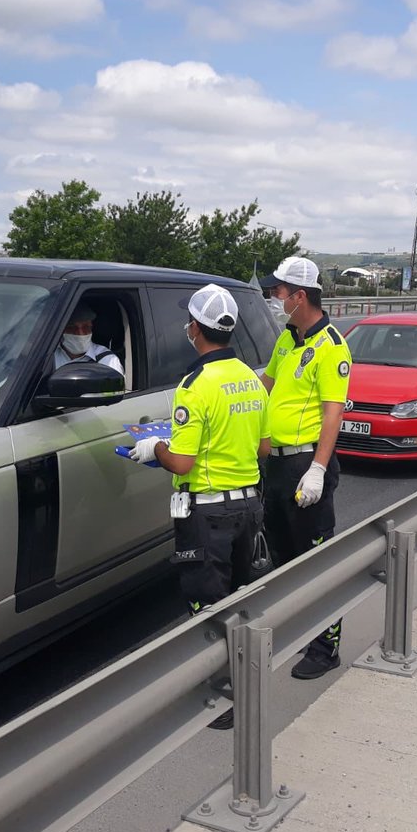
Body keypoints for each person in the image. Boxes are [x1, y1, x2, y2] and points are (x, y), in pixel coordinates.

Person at [130, 284, 270, 728]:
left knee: (207, 608)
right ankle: (247, 682)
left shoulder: (194, 386)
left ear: (195, 328)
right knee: (241, 600)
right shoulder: (249, 378)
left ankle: (224, 699)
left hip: (208, 515)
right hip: (248, 506)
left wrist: (154, 448)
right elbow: (264, 448)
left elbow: (183, 462)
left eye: (188, 322)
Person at [259, 256, 352, 679]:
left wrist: (317, 469)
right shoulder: (287, 339)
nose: (274, 297)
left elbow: (333, 414)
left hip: (305, 463)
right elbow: (267, 387)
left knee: (315, 560)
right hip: (276, 465)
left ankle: (325, 648)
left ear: (299, 296)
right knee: (282, 557)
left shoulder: (331, 347)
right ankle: (299, 628)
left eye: (278, 291)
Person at [54, 302, 124, 375]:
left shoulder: (107, 360)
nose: (80, 333)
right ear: (61, 330)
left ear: (92, 327)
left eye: (86, 327)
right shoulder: (50, 354)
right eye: (71, 328)